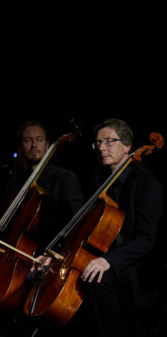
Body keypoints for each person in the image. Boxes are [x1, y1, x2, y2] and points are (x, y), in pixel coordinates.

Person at [0, 120, 84, 337]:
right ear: (20, 147)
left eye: (39, 140)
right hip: (14, 258)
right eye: (28, 141)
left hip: (45, 259)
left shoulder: (65, 179)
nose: (34, 145)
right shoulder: (15, 184)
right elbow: (3, 230)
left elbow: (77, 224)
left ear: (48, 144)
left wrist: (53, 254)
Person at [74, 118, 163, 337]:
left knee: (97, 279)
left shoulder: (146, 183)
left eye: (109, 141)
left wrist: (108, 261)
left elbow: (146, 239)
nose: (102, 148)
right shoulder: (99, 184)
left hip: (136, 268)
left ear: (127, 146)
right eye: (98, 143)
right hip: (107, 259)